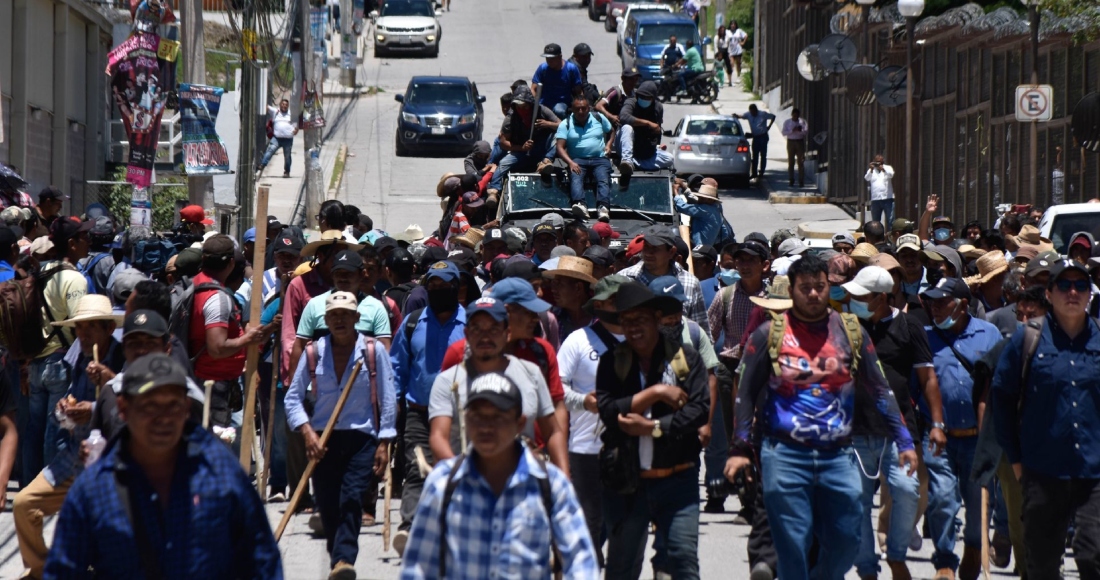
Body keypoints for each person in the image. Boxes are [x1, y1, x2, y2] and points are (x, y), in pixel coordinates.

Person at [725, 253, 918, 580]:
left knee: (846, 538)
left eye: (820, 286)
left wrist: (905, 441)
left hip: (838, 455)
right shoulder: (768, 334)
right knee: (792, 540)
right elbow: (744, 391)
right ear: (792, 291)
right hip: (784, 454)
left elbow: (880, 389)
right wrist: (740, 448)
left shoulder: (851, 332)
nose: (814, 294)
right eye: (805, 288)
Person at [43, 353, 283, 578]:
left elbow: (262, 559)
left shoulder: (221, 474)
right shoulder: (93, 490)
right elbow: (63, 570)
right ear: (124, 409)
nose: (163, 418)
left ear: (186, 408)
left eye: (173, 405)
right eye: (149, 406)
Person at [400, 372, 599, 579]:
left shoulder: (550, 484)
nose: (486, 427)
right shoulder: (442, 483)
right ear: (466, 419)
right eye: (477, 416)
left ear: (519, 423)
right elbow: (418, 568)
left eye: (498, 417)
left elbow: (581, 562)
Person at [991, 259, 1100, 578]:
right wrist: (1016, 460)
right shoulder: (1027, 339)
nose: (1072, 292)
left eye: (1080, 285)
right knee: (1041, 564)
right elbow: (1002, 400)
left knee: (1092, 554)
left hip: (1094, 473)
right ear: (1049, 294)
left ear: (1089, 294)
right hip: (1042, 471)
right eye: (1064, 285)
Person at [597, 281, 709, 579]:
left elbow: (698, 410)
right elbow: (607, 410)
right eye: (626, 321)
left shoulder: (684, 358)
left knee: (683, 561)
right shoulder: (613, 361)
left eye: (640, 319)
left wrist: (653, 427)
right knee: (621, 567)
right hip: (626, 485)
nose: (633, 327)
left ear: (657, 319)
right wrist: (655, 393)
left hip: (678, 480)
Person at [843, 266, 945, 580]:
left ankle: (897, 555)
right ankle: (866, 567)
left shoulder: (909, 326)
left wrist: (937, 423)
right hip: (853, 430)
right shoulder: (847, 327)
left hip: (899, 430)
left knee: (908, 490)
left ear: (882, 297)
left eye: (862, 296)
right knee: (856, 501)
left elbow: (927, 378)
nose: (853, 300)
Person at [285, 291, 396, 580]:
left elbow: (388, 397)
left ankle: (344, 558)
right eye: (334, 315)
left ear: (356, 318)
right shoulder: (314, 352)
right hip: (323, 440)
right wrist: (307, 432)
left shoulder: (372, 351)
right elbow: (292, 399)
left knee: (351, 499)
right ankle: (339, 560)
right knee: (327, 504)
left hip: (361, 438)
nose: (339, 320)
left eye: (345, 315)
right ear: (326, 320)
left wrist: (384, 442)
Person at [13, 295, 125, 579]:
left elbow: (134, 408)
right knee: (25, 504)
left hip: (110, 465)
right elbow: (66, 407)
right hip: (74, 458)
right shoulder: (79, 357)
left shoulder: (124, 359)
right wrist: (64, 410)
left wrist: (103, 393)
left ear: (110, 328)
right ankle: (41, 571)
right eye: (79, 327)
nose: (82, 334)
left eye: (91, 327)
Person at [919, 277, 1002, 580]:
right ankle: (944, 560)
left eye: (943, 302)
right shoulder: (925, 337)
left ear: (963, 305)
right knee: (941, 498)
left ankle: (974, 547)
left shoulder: (989, 334)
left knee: (979, 502)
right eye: (932, 303)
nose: (935, 309)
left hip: (977, 438)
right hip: (938, 436)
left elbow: (999, 383)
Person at [427, 295, 568, 471]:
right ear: (467, 334)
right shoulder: (447, 381)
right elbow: (438, 436)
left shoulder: (531, 373)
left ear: (507, 334)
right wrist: (463, 475)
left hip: (524, 481)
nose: (485, 337)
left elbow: (553, 432)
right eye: (477, 329)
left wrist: (564, 477)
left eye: (493, 329)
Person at [390, 261, 467, 556]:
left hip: (459, 417)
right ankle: (409, 526)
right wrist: (393, 406)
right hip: (419, 413)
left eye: (444, 286)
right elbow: (397, 367)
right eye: (432, 285)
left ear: (456, 288)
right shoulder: (412, 323)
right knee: (415, 468)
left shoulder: (472, 324)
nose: (437, 290)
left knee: (454, 471)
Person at [20, 218, 91, 487]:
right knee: (58, 429)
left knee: (34, 428)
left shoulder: (41, 271)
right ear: (71, 244)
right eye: (83, 237)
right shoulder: (74, 278)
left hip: (36, 362)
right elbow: (78, 325)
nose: (88, 241)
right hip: (60, 363)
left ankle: (29, 486)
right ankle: (51, 489)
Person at [188, 235, 266, 429]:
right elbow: (217, 348)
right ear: (231, 263)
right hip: (213, 384)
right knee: (217, 440)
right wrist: (247, 339)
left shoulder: (196, 283)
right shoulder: (217, 298)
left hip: (207, 379)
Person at [619, 225, 708, 329]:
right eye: (646, 246)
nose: (648, 253)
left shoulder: (690, 283)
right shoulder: (624, 279)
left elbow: (700, 327)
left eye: (655, 248)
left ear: (671, 252)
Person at [486, 87, 561, 197]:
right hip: (521, 152)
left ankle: (546, 161)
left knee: (559, 135)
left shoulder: (541, 110)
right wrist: (522, 147)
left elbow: (562, 125)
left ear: (530, 104)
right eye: (518, 107)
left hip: (542, 148)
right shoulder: (511, 117)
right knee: (503, 164)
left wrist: (548, 124)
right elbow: (503, 142)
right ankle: (494, 190)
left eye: (524, 106)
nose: (521, 109)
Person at [555, 95, 614, 221]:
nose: (581, 111)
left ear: (589, 108)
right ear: (572, 109)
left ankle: (603, 208)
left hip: (599, 159)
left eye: (583, 108)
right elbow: (559, 147)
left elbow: (611, 131)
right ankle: (580, 205)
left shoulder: (598, 117)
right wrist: (570, 163)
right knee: (576, 177)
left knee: (603, 179)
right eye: (577, 109)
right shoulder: (566, 124)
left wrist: (608, 145)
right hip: (577, 160)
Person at [617, 81, 674, 188]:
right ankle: (627, 162)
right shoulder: (631, 102)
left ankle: (632, 165)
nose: (643, 99)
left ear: (653, 98)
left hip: (645, 151)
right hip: (626, 147)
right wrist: (647, 123)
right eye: (641, 96)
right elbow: (623, 117)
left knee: (669, 159)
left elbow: (657, 131)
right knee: (627, 128)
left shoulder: (658, 108)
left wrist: (657, 145)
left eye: (647, 97)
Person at [532, 43, 583, 118]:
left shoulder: (571, 69)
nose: (549, 61)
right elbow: (533, 89)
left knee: (559, 111)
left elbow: (578, 91)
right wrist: (534, 104)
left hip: (561, 103)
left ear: (560, 57)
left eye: (552, 58)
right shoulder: (542, 68)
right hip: (544, 103)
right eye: (547, 58)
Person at [260, 99, 298, 178]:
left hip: (288, 139)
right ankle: (262, 165)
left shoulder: (291, 113)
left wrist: (296, 129)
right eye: (283, 104)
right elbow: (266, 107)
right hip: (276, 138)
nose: (284, 106)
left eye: (286, 105)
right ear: (280, 105)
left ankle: (287, 172)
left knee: (287, 156)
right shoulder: (275, 111)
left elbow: (297, 122)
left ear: (288, 106)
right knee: (270, 150)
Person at [737, 105, 775, 180]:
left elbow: (773, 116)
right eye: (751, 112)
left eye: (753, 112)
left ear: (756, 110)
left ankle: (761, 172)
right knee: (755, 156)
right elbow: (742, 116)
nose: (752, 113)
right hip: (755, 137)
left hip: (763, 136)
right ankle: (754, 173)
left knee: (763, 155)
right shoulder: (748, 114)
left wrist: (769, 126)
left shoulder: (763, 114)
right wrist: (737, 116)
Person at [781, 109, 809, 187]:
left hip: (799, 142)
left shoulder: (802, 122)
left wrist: (800, 130)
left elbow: (806, 131)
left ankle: (801, 181)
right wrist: (792, 130)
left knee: (801, 162)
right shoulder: (787, 122)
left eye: (797, 116)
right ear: (792, 115)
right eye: (794, 116)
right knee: (791, 161)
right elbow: (783, 132)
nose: (795, 117)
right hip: (790, 142)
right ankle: (791, 179)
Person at [866, 154, 896, 225]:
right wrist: (871, 169)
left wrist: (883, 169)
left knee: (890, 219)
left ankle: (891, 232)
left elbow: (891, 175)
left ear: (883, 161)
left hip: (887, 198)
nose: (878, 164)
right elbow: (867, 178)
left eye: (880, 162)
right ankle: (877, 232)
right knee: (875, 221)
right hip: (875, 199)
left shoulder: (888, 168)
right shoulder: (871, 170)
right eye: (877, 162)